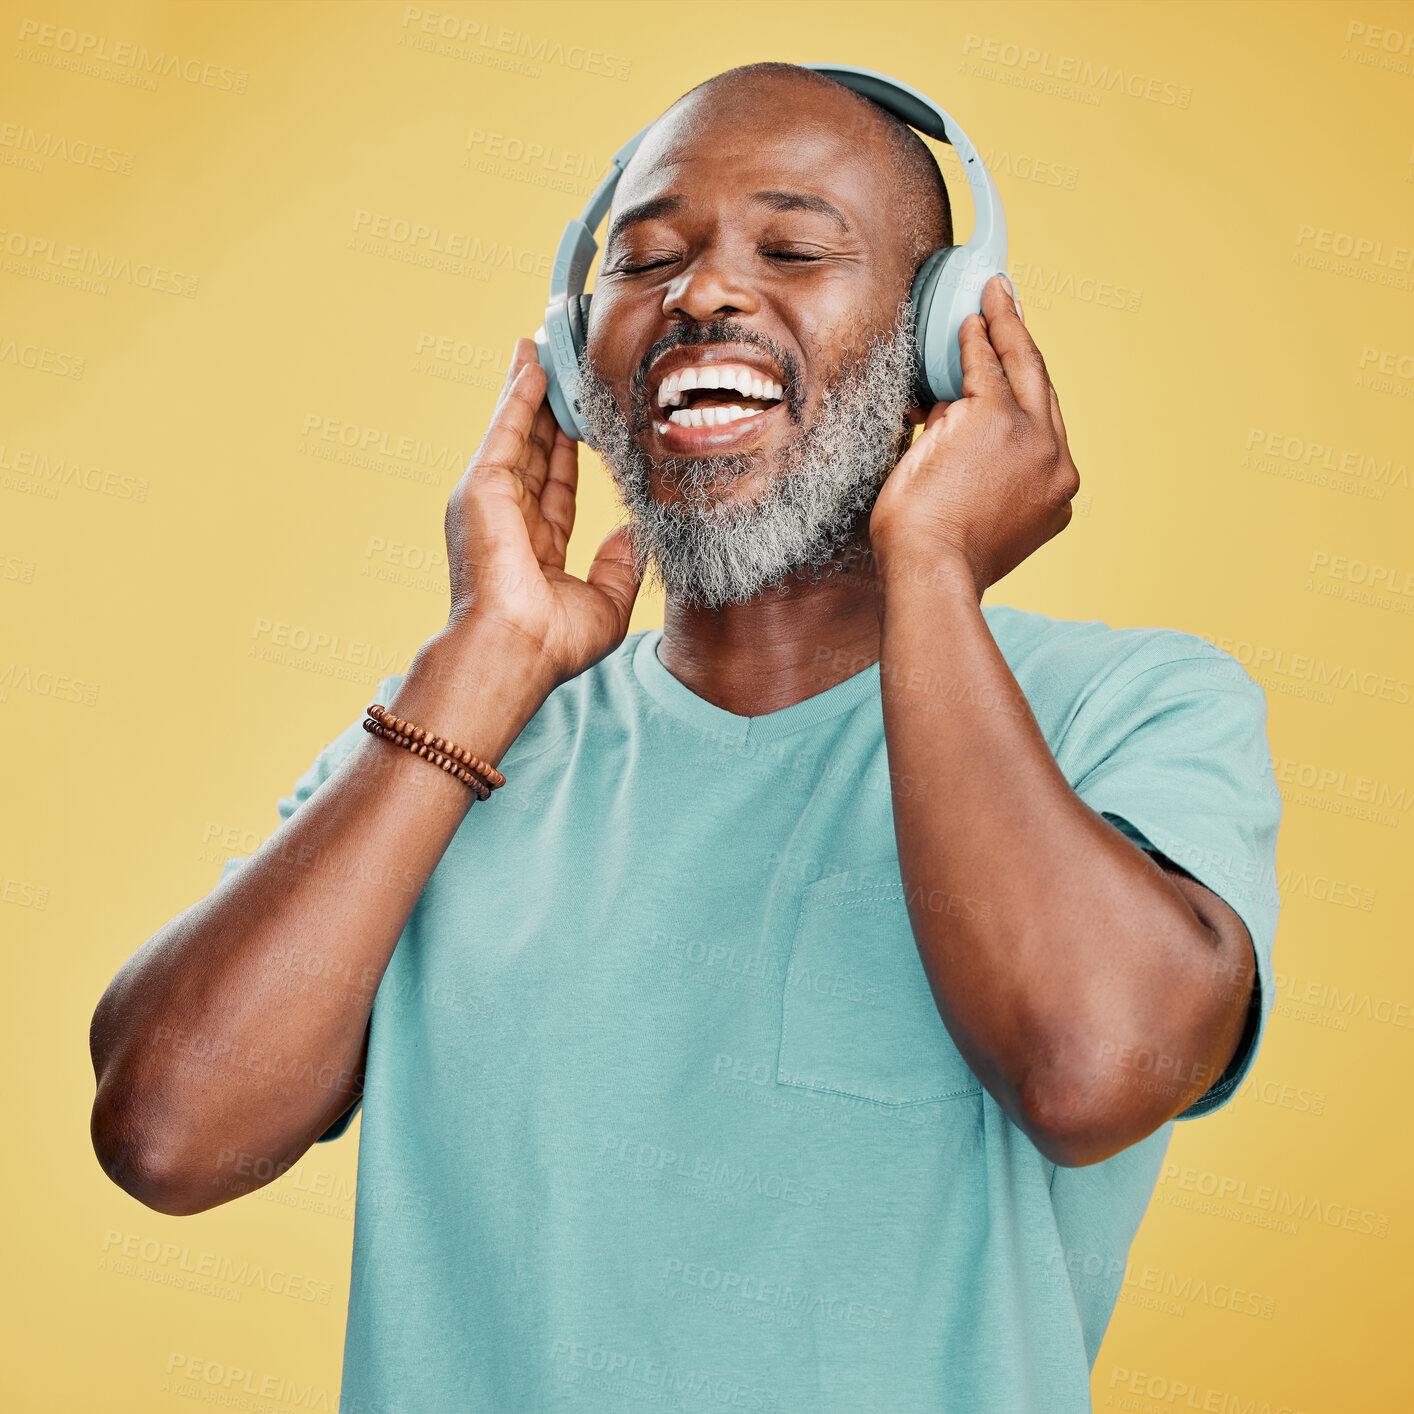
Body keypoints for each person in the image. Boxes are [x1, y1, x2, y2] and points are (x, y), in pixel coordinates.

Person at [90, 63, 1282, 1414]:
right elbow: (166, 1132)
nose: (701, 294)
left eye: (792, 248)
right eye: (644, 257)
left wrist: (935, 565)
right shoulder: (445, 748)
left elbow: (1088, 1067)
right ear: (566, 350)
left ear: (941, 340)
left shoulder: (1128, 710)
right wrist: (483, 658)